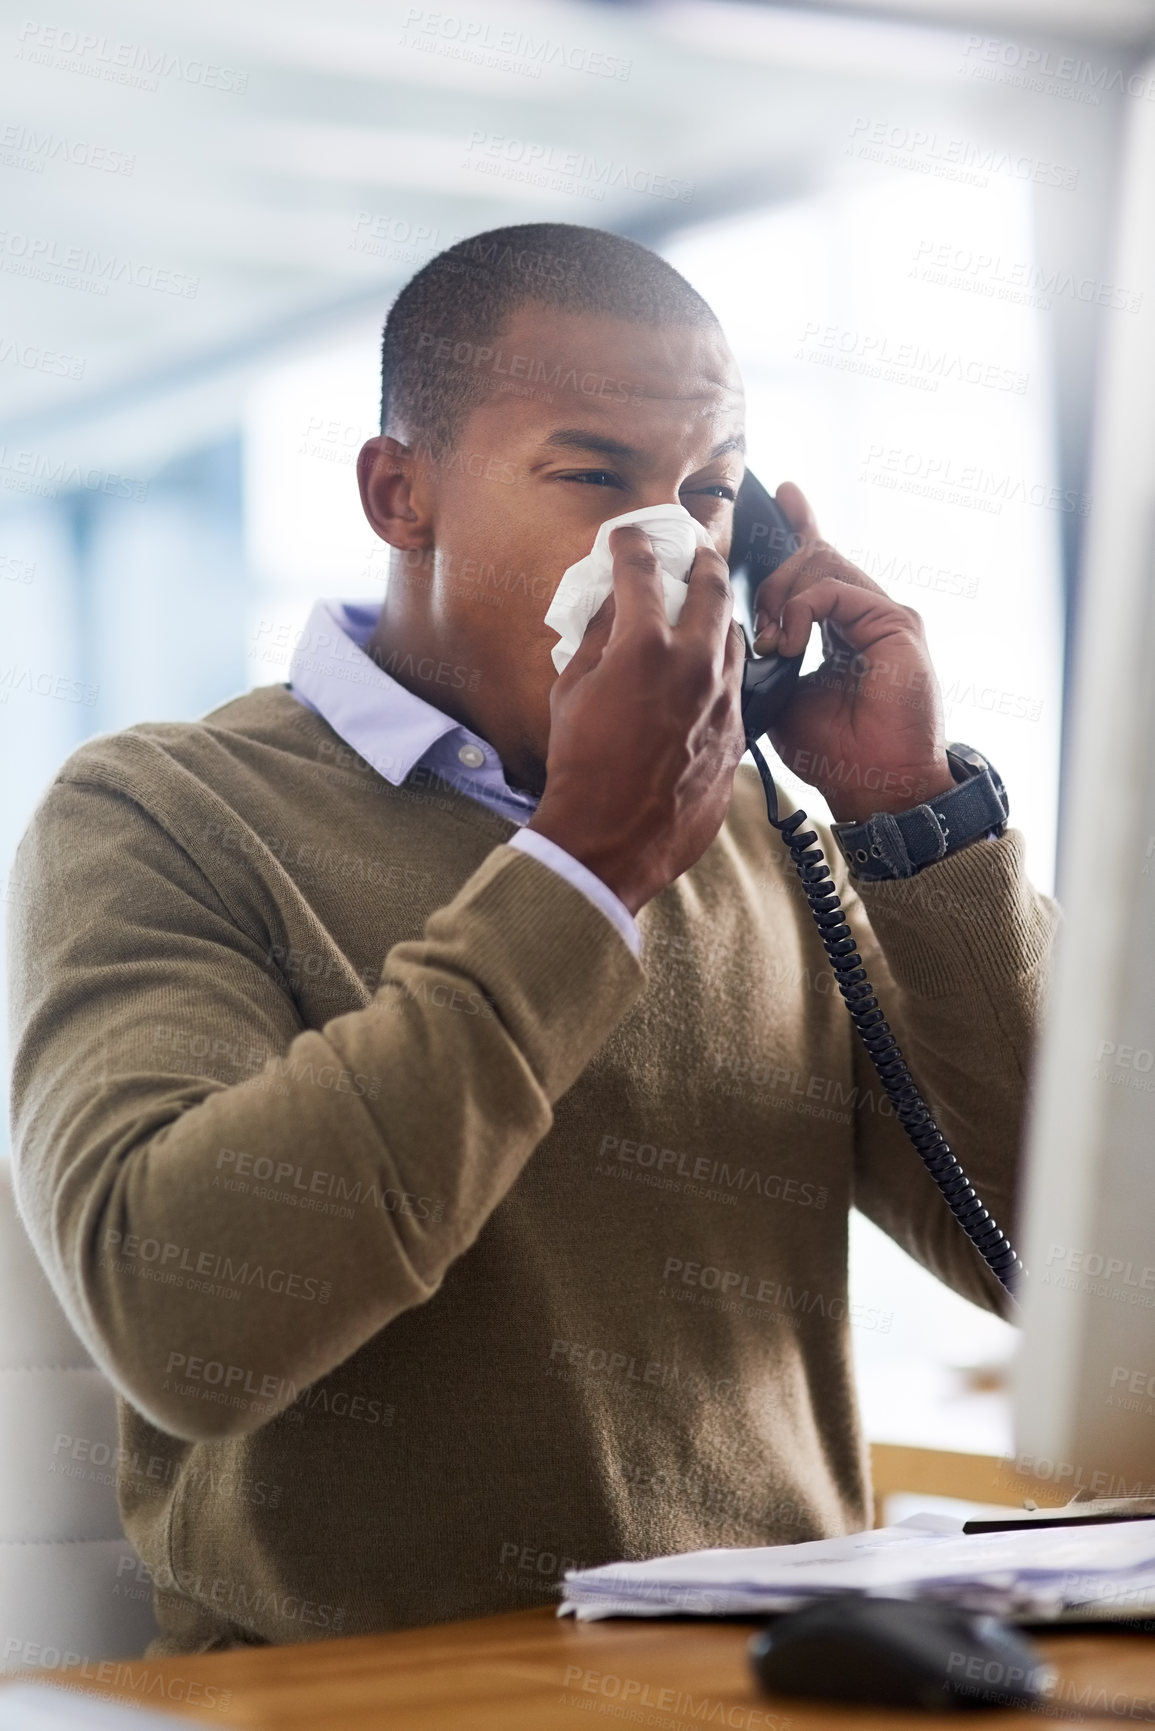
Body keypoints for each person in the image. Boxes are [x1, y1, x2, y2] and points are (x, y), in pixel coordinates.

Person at [7, 222, 1056, 1655]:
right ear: (400, 492)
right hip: (373, 1706)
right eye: (592, 478)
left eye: (708, 493)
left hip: (790, 1687)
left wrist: (913, 827)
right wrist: (587, 866)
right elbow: (182, 1314)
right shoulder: (159, 812)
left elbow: (1064, 1264)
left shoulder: (763, 834)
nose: (666, 543)